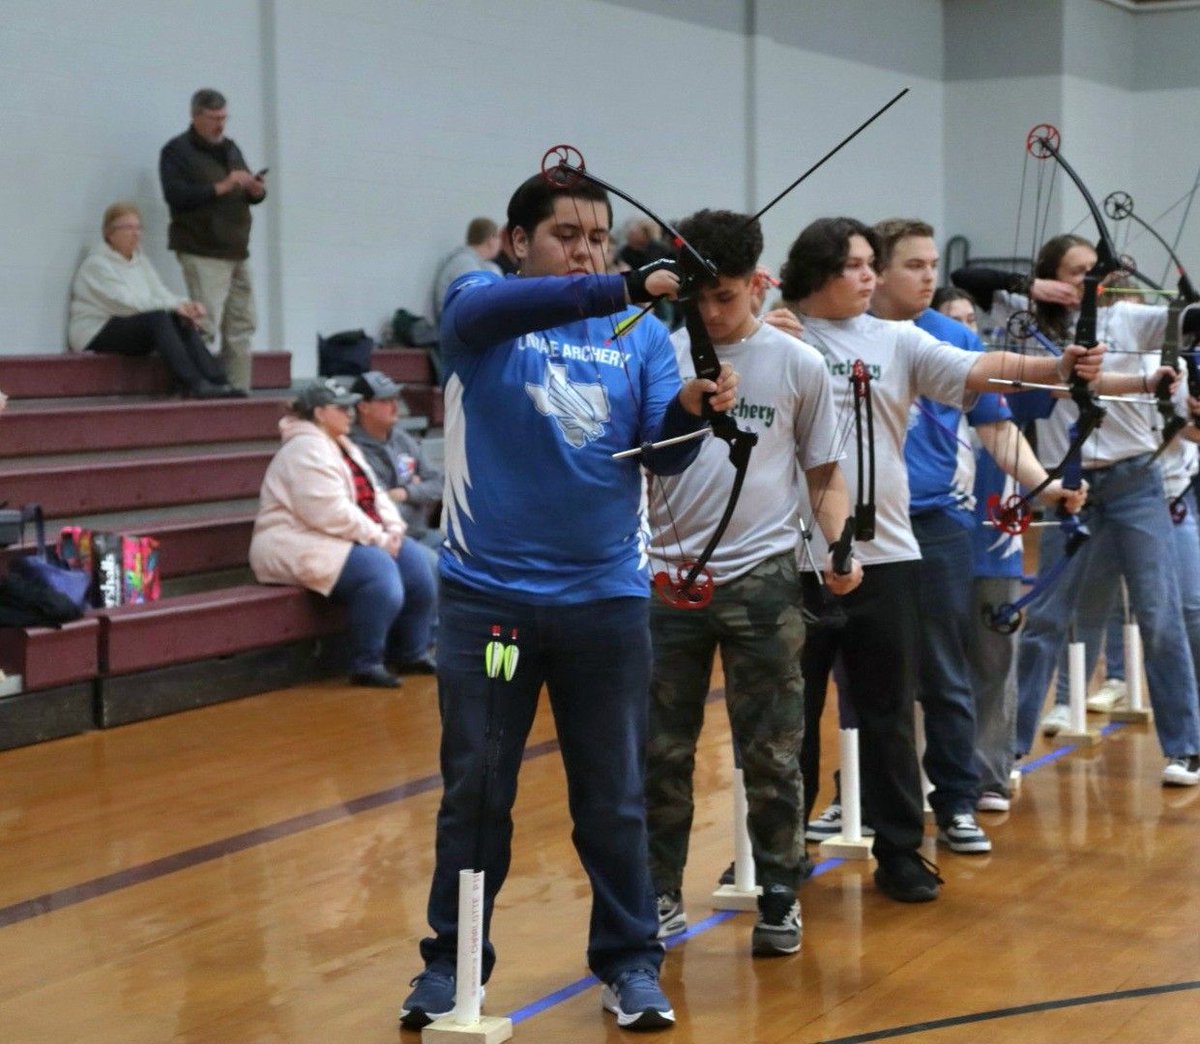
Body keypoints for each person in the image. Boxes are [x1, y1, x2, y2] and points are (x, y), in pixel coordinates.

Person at [399, 172, 738, 1033]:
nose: (584, 249)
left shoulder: (647, 340)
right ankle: (451, 968)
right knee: (477, 791)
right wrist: (623, 280)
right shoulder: (480, 303)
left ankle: (630, 963)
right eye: (566, 235)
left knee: (613, 796)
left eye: (597, 236)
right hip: (493, 613)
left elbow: (660, 457)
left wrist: (694, 411)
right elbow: (476, 319)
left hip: (604, 609)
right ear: (519, 243)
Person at [780, 217, 1104, 903]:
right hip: (792, 554)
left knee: (890, 707)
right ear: (817, 274)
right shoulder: (778, 335)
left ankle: (901, 850)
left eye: (874, 263)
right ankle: (779, 852)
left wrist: (1056, 368)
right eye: (858, 265)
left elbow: (979, 372)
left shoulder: (897, 339)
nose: (869, 276)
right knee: (789, 714)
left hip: (889, 551)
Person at [642, 209, 860, 958]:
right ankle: (660, 894)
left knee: (771, 748)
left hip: (764, 576)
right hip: (669, 578)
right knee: (661, 751)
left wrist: (840, 545)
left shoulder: (797, 364)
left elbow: (823, 471)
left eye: (726, 297)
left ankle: (778, 892)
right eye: (698, 297)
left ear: (759, 285)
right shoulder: (661, 356)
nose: (711, 312)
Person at [953, 235, 1200, 785]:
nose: (1092, 281)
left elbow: (1187, 318)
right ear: (1051, 277)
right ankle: (1010, 749)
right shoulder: (1026, 314)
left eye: (1097, 271)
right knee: (1044, 619)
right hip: (1068, 484)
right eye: (1078, 272)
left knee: (1159, 615)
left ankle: (1185, 747)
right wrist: (1028, 286)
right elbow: (968, 276)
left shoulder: (1127, 319)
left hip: (1135, 480)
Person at [249, 379, 437, 688]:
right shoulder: (303, 449)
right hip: (296, 542)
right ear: (320, 413)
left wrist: (393, 529)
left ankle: (411, 652)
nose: (350, 414)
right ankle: (366, 662)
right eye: (342, 408)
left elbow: (376, 494)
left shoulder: (342, 444)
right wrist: (379, 539)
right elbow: (329, 513)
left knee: (417, 564)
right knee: (379, 571)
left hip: (341, 536)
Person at [67, 202, 241, 398]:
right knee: (158, 319)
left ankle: (217, 380)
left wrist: (185, 305)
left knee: (178, 319)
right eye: (128, 228)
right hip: (96, 330)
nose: (136, 234)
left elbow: (159, 292)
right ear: (109, 233)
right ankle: (193, 383)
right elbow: (126, 303)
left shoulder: (140, 261)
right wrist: (174, 306)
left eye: (138, 227)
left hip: (129, 324)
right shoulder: (96, 265)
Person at [160, 88, 266, 392]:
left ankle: (238, 388)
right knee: (205, 324)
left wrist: (256, 191)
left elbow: (245, 189)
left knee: (242, 323)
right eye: (213, 118)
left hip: (237, 249)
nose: (220, 125)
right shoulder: (177, 151)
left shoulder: (231, 148)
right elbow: (175, 196)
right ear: (195, 117)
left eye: (224, 117)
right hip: (202, 249)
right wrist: (221, 186)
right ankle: (204, 387)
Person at [348, 370, 445, 561]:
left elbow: (439, 484)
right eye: (385, 400)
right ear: (363, 407)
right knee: (438, 567)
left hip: (423, 534)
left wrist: (406, 493)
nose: (395, 406)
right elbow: (377, 506)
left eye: (395, 398)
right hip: (390, 543)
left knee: (473, 555)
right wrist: (417, 488)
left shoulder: (402, 438)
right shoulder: (352, 450)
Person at [429, 217, 503, 321]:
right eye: (499, 237)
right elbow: (475, 305)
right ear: (491, 240)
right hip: (456, 328)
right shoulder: (464, 263)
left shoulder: (483, 265)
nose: (501, 243)